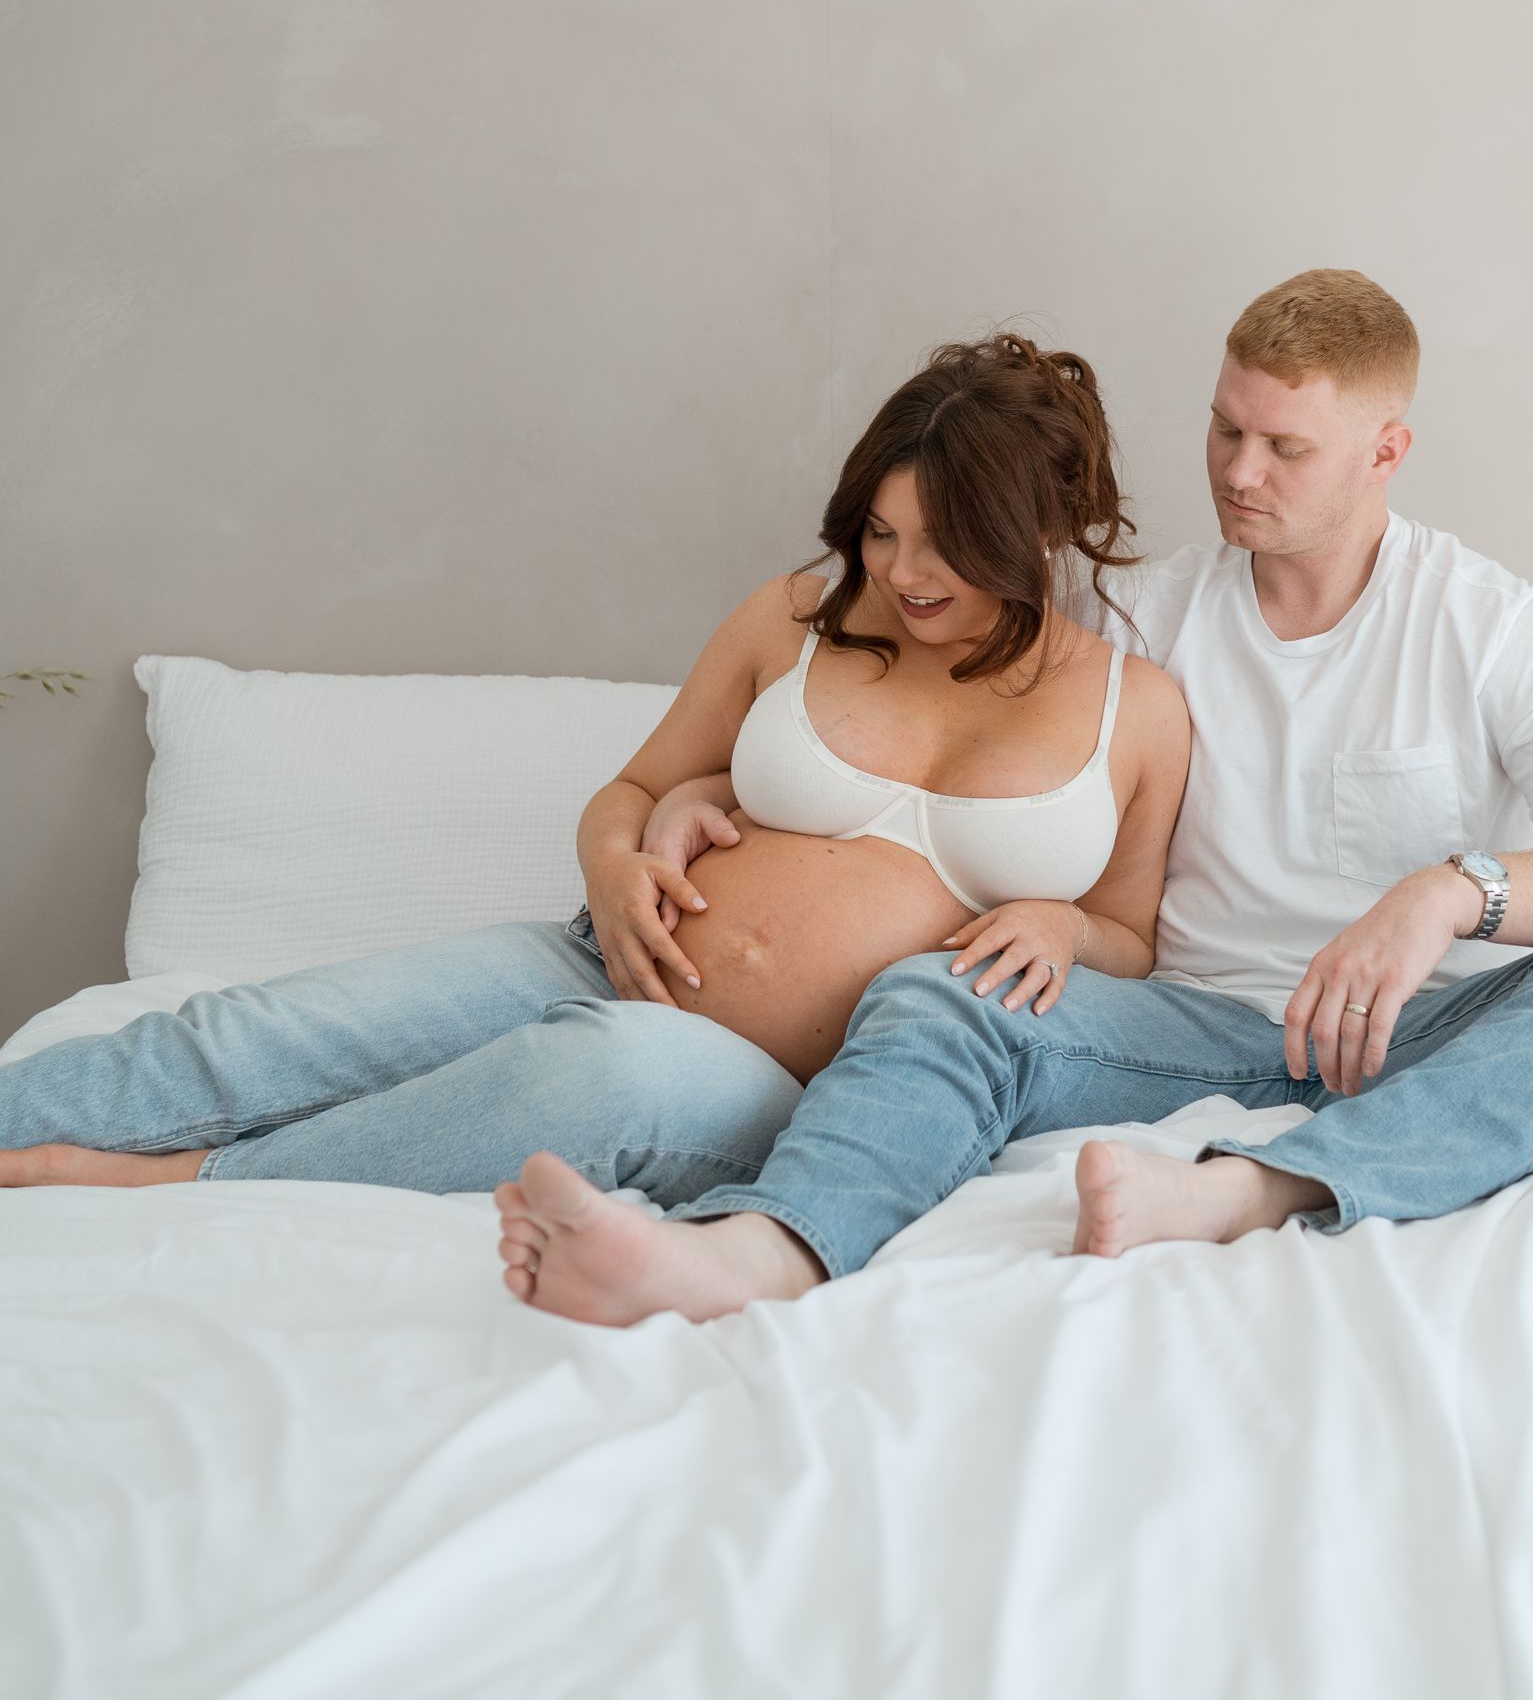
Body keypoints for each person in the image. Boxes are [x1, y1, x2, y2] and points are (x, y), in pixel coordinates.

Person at [493, 268, 1533, 1327]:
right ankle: (759, 1254)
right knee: (945, 990)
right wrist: (701, 786)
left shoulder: (1489, 628)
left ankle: (1258, 1189)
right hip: (1173, 1029)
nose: (1239, 472)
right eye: (1224, 429)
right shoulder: (1128, 614)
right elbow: (918, 719)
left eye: (1285, 447)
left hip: (1418, 1039)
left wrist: (1450, 896)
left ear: (1386, 451)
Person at [0, 336, 1191, 1204]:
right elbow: (630, 793)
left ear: (1040, 532)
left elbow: (1130, 939)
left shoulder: (1132, 712)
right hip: (602, 955)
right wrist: (616, 874)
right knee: (267, 1029)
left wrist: (1061, 926)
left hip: (785, 1084)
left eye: (947, 546)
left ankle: (195, 1180)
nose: (904, 573)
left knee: (593, 1075)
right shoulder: (799, 617)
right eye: (881, 532)